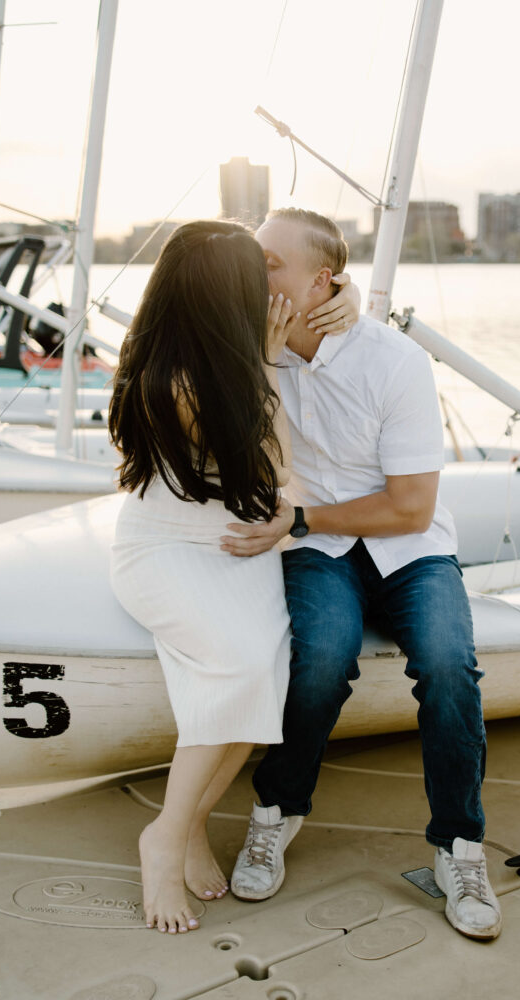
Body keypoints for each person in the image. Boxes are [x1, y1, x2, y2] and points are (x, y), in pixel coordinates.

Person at [222, 208, 502, 941]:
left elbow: (411, 510)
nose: (257, 276)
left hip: (403, 549)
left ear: (323, 282)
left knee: (446, 664)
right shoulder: (255, 346)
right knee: (318, 658)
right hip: (315, 546)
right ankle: (275, 813)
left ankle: (458, 846)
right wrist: (258, 356)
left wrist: (306, 520)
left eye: (271, 265)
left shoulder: (394, 361)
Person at [108, 219, 360, 936]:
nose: (267, 293)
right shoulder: (182, 379)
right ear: (225, 298)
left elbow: (267, 491)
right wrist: (268, 364)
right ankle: (165, 834)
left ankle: (189, 825)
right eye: (255, 281)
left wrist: (349, 295)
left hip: (235, 543)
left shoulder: (221, 352)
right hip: (169, 548)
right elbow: (274, 473)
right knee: (241, 663)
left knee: (267, 678)